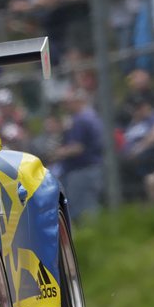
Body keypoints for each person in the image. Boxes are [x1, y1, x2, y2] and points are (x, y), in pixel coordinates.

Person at [53, 90, 105, 220]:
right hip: (91, 168)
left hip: (83, 170)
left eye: (68, 102)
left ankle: (90, 231)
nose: (66, 106)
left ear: (78, 101)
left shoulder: (81, 120)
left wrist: (58, 153)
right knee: (89, 205)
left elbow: (77, 148)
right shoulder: (91, 116)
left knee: (83, 210)